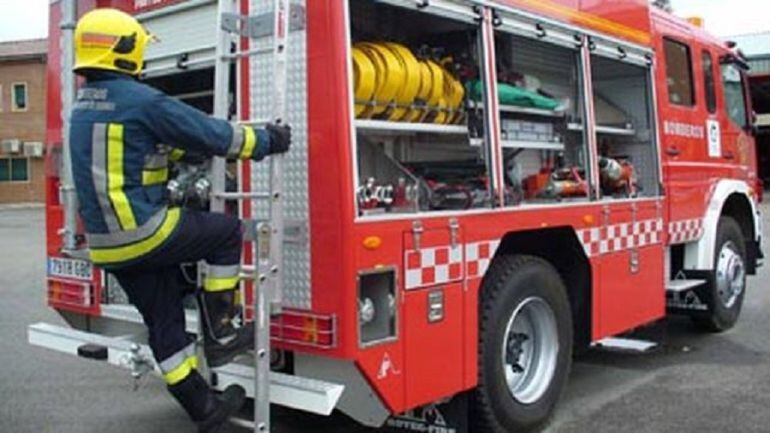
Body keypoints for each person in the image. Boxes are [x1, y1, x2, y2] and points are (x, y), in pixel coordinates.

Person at [68, 8, 291, 432]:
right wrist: (267, 140)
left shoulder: (82, 107)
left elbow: (132, 152)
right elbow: (215, 135)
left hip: (108, 245)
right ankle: (222, 331)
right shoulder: (140, 100)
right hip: (144, 232)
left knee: (164, 319)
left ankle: (203, 407)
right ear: (126, 50)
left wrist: (175, 154)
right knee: (226, 232)